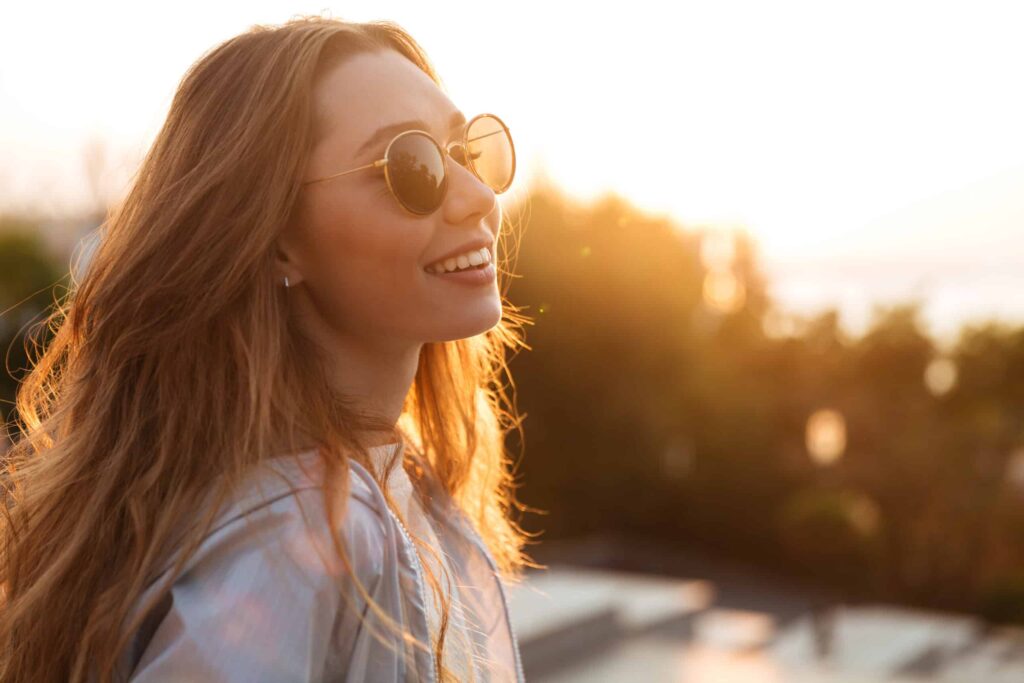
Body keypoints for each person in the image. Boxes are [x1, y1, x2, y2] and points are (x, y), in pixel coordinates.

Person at [0, 15, 540, 682]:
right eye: (412, 165)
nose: (479, 197)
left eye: (466, 151)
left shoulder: (383, 486)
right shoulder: (302, 531)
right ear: (278, 236)